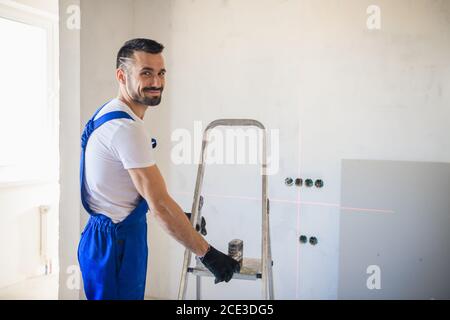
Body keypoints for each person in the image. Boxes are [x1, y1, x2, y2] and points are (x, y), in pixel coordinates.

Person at [78, 38, 240, 300]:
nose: (156, 82)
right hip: (116, 244)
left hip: (105, 236)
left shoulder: (110, 113)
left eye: (161, 72)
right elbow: (159, 206)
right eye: (146, 73)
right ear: (122, 75)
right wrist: (207, 254)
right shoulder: (127, 129)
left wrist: (180, 217)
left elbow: (132, 190)